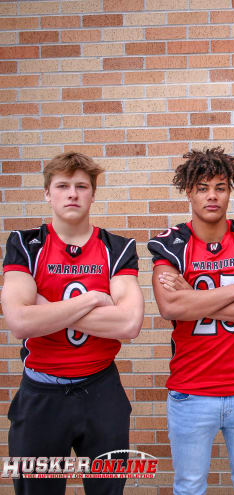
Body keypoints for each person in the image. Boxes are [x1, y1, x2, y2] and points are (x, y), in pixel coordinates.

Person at [1, 152, 144, 495]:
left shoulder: (118, 248)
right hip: (41, 396)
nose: (72, 194)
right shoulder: (25, 244)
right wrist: (93, 298)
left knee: (108, 490)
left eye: (81, 186)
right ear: (47, 193)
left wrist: (47, 310)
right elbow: (20, 321)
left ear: (93, 194)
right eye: (62, 186)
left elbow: (128, 324)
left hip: (102, 391)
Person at [148, 147, 234, 495]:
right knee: (190, 487)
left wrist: (195, 298)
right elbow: (171, 306)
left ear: (230, 190)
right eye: (203, 187)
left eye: (220, 187)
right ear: (188, 191)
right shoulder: (171, 244)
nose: (212, 195)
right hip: (190, 391)